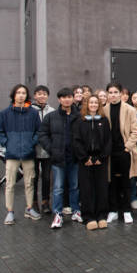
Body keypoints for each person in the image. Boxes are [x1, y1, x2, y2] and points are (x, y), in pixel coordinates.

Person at [0, 84, 41, 225]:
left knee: (29, 183)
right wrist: (7, 143)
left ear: (26, 96)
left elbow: (38, 131)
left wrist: (31, 143)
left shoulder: (33, 113)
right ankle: (10, 212)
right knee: (10, 184)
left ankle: (29, 208)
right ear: (14, 95)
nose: (21, 95)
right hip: (12, 154)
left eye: (23, 93)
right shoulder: (5, 114)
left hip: (28, 154)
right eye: (18, 92)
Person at [38, 87, 81, 229]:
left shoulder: (79, 116)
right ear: (59, 99)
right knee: (58, 188)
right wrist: (51, 149)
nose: (67, 99)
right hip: (58, 159)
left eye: (69, 97)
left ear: (73, 98)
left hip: (74, 158)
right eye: (63, 97)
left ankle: (76, 211)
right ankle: (58, 214)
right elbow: (43, 135)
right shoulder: (51, 116)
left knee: (75, 186)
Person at [103, 82, 137, 224]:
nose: (113, 95)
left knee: (127, 182)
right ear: (107, 94)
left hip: (125, 151)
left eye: (115, 92)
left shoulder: (129, 109)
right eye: (110, 92)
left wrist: (127, 148)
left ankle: (126, 210)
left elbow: (135, 132)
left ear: (121, 93)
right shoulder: (104, 110)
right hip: (110, 153)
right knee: (112, 182)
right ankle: (113, 210)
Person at [72, 95, 112, 230]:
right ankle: (88, 217)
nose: (94, 105)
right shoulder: (80, 120)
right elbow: (76, 141)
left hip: (100, 160)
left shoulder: (104, 120)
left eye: (96, 102)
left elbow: (108, 141)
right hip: (85, 160)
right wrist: (85, 158)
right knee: (86, 189)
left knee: (102, 188)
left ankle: (101, 215)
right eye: (91, 102)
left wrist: (102, 157)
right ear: (86, 104)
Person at [32, 85, 55, 214]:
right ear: (35, 96)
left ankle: (45, 201)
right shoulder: (29, 110)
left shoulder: (52, 111)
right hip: (33, 150)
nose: (42, 96)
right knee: (33, 178)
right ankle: (34, 202)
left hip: (47, 150)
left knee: (46, 177)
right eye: (39, 94)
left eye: (44, 94)